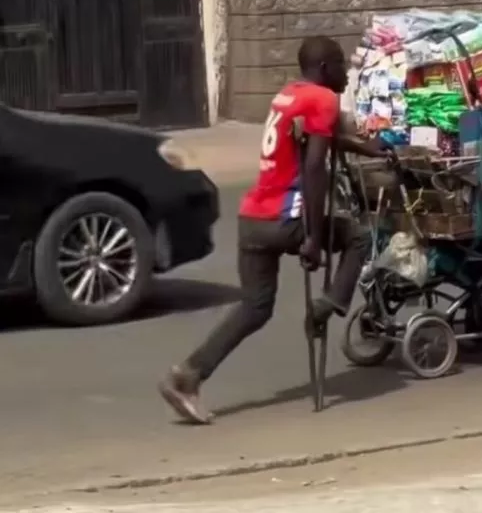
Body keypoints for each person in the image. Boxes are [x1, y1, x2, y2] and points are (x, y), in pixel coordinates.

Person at [158, 35, 391, 424]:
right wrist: (314, 237)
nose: (346, 73)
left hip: (252, 219)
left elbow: (323, 140)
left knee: (255, 308)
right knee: (358, 236)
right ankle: (329, 305)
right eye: (339, 65)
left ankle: (187, 375)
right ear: (323, 69)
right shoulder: (323, 99)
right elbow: (315, 168)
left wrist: (368, 149)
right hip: (285, 218)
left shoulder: (289, 95)